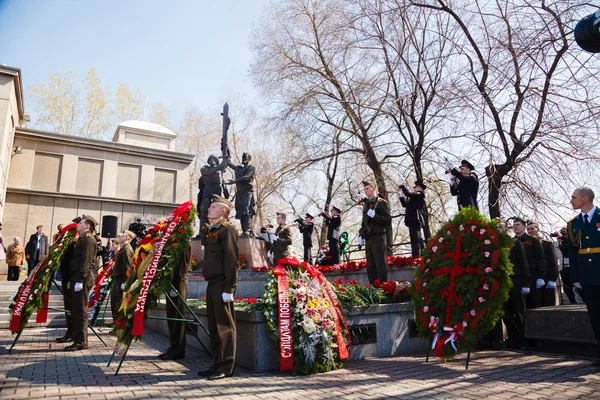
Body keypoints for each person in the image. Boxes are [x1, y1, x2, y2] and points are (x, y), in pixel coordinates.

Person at [199, 195, 239, 380]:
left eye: (213, 206)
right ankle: (216, 364)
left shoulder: (227, 230)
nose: (209, 209)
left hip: (222, 284)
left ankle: (226, 367)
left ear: (223, 211)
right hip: (212, 283)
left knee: (224, 327)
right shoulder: (211, 230)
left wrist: (229, 288)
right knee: (214, 327)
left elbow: (232, 261)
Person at [567, 187, 600, 366]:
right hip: (587, 276)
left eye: (574, 197)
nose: (571, 200)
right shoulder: (573, 223)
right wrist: (575, 277)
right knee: (595, 315)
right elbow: (573, 253)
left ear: (585, 198)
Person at [494, 219, 530, 349]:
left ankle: (523, 340)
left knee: (518, 311)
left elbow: (523, 263)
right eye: (495, 226)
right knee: (506, 312)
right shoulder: (493, 244)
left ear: (505, 228)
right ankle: (511, 338)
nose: (497, 228)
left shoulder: (514, 243)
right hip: (501, 282)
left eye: (500, 226)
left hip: (515, 280)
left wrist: (526, 283)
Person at [63, 215, 98, 351]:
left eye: (81, 223)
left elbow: (86, 261)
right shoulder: (82, 240)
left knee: (80, 311)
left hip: (81, 279)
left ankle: (81, 341)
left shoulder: (89, 240)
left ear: (87, 226)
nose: (78, 225)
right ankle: (77, 338)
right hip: (77, 278)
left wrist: (79, 281)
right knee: (76, 310)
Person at [159, 242, 192, 360]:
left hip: (178, 283)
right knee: (171, 316)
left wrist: (176, 286)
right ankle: (173, 346)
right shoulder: (174, 242)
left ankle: (178, 349)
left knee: (177, 316)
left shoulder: (183, 243)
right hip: (172, 283)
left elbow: (182, 266)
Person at [359, 179, 391, 284]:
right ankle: (373, 288)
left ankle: (383, 287)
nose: (366, 191)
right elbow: (364, 222)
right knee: (370, 266)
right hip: (368, 237)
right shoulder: (366, 205)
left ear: (374, 189)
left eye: (367, 188)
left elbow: (387, 220)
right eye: (364, 189)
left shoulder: (381, 203)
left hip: (378, 236)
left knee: (380, 264)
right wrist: (361, 235)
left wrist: (375, 216)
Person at [513, 217, 546, 309]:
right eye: (514, 225)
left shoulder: (533, 241)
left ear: (524, 227)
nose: (515, 227)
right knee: (520, 306)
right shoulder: (511, 242)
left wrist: (540, 276)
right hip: (519, 276)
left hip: (532, 275)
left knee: (534, 305)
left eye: (518, 225)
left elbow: (540, 259)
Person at [527, 220, 559, 307]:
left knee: (548, 304)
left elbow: (553, 262)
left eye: (532, 228)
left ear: (538, 229)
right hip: (533, 278)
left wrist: (552, 279)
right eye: (528, 229)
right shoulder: (526, 244)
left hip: (547, 278)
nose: (530, 231)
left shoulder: (546, 243)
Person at [226, 152, 256, 235]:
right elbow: (228, 163)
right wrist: (226, 151)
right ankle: (244, 230)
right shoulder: (239, 168)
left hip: (247, 190)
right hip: (240, 191)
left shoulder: (251, 168)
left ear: (249, 158)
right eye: (243, 157)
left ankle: (248, 229)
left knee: (246, 209)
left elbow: (246, 177)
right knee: (240, 210)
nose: (244, 158)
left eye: (246, 157)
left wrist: (234, 181)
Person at [198, 155, 229, 227]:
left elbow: (222, 181)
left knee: (219, 211)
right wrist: (221, 165)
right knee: (204, 210)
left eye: (214, 159)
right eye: (210, 159)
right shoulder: (205, 169)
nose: (212, 161)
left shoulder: (219, 171)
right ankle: (202, 230)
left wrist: (225, 159)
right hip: (207, 190)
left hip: (217, 190)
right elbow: (209, 172)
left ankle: (219, 228)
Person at [399, 178, 427, 257]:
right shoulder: (415, 197)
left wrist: (402, 186)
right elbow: (405, 205)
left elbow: (408, 193)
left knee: (415, 239)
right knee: (417, 238)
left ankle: (416, 256)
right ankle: (423, 253)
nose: (414, 187)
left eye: (416, 186)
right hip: (412, 218)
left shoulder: (419, 194)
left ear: (420, 188)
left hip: (415, 218)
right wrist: (401, 196)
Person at [111, 230, 134, 321]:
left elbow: (127, 266)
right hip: (117, 279)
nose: (120, 237)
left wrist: (125, 281)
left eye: (123, 236)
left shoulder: (127, 249)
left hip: (121, 280)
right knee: (115, 302)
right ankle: (115, 323)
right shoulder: (123, 248)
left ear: (127, 238)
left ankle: (118, 324)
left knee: (118, 303)